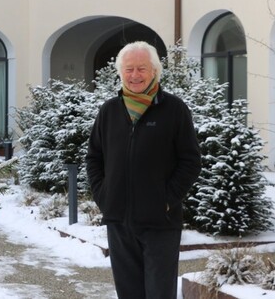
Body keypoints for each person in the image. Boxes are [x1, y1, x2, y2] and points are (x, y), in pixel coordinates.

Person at [86, 41, 201, 298]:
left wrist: (166, 200)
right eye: (129, 69)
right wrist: (104, 197)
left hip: (160, 222)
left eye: (141, 68)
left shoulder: (173, 109)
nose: (135, 75)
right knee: (129, 293)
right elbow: (94, 158)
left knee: (159, 292)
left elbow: (191, 161)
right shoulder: (109, 111)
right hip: (119, 221)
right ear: (120, 72)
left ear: (154, 71)